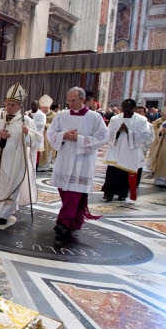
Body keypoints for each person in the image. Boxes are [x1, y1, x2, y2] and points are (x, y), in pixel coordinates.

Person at [47, 87, 108, 234]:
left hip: (83, 161)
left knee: (74, 194)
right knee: (65, 192)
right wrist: (63, 135)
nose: (70, 103)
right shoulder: (61, 116)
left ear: (83, 99)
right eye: (68, 100)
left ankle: (63, 222)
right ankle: (74, 220)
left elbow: (102, 138)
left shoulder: (94, 117)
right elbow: (51, 133)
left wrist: (79, 139)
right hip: (65, 158)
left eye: (73, 100)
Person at [0, 84, 41, 226]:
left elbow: (37, 141)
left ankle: (5, 214)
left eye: (13, 105)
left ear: (19, 106)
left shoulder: (26, 121)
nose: (9, 107)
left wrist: (27, 134)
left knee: (12, 183)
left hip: (15, 160)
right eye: (7, 104)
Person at [102, 99, 154, 201]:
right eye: (124, 106)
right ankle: (108, 193)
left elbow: (146, 135)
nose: (126, 109)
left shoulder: (141, 120)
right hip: (116, 150)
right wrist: (117, 132)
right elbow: (109, 133)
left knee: (125, 173)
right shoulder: (115, 119)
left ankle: (122, 193)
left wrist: (129, 131)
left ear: (134, 108)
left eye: (129, 107)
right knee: (112, 172)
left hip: (131, 150)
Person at [37, 95, 55, 172]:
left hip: (48, 135)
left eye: (46, 107)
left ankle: (45, 166)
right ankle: (38, 165)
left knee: (48, 150)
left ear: (49, 107)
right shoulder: (38, 113)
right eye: (43, 107)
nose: (44, 109)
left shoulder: (54, 115)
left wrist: (46, 125)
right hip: (40, 134)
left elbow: (55, 125)